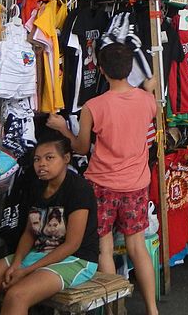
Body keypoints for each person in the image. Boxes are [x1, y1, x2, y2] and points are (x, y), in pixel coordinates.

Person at [47, 42, 158, 314]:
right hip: (136, 184)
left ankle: (114, 310)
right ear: (129, 68)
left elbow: (81, 147)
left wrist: (63, 129)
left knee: (104, 250)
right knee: (137, 247)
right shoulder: (148, 101)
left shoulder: (93, 106)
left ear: (102, 70)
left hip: (102, 185)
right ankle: (153, 310)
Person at [0, 134, 99, 314]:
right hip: (38, 253)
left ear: (66, 159)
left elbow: (72, 244)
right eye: (37, 159)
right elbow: (30, 233)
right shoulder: (36, 186)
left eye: (49, 158)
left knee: (17, 295)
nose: (42, 164)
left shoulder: (79, 189)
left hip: (76, 258)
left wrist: (27, 270)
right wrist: (16, 264)